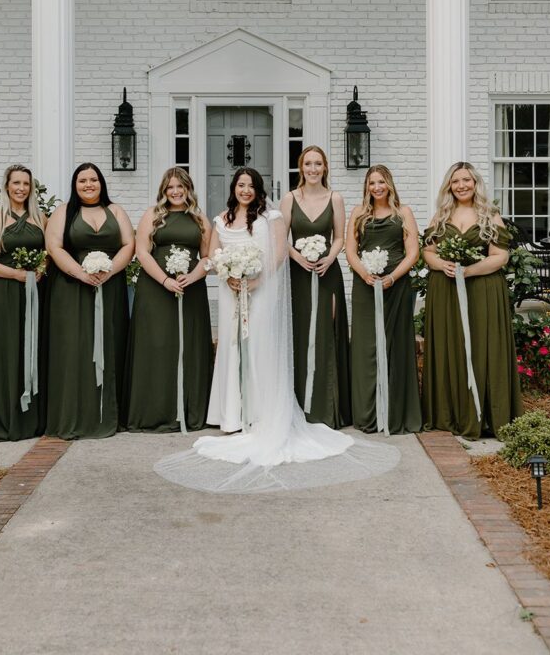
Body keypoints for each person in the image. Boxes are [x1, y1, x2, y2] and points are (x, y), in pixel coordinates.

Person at [155, 167, 401, 493]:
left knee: (259, 347)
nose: (245, 191)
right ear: (234, 189)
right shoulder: (220, 219)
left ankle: (259, 413)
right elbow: (212, 254)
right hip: (232, 292)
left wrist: (255, 279)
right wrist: (228, 272)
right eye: (240, 185)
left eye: (251, 186)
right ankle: (232, 415)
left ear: (259, 190)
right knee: (231, 348)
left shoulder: (270, 217)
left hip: (262, 291)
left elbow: (280, 252)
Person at [421, 161, 522, 439]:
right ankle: (449, 414)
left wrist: (469, 271)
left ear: (475, 183)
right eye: (456, 181)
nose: (461, 185)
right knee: (449, 344)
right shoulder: (441, 215)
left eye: (467, 180)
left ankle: (486, 415)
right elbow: (428, 252)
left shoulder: (490, 215)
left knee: (482, 346)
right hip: (446, 289)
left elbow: (500, 257)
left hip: (482, 290)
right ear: (449, 186)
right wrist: (443, 265)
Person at [45, 163, 134, 439]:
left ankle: (108, 414)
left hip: (111, 287)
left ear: (101, 183)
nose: (88, 184)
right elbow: (54, 247)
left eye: (93, 179)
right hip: (72, 289)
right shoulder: (64, 212)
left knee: (111, 344)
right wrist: (81, 273)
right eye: (82, 180)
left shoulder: (116, 211)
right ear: (75, 184)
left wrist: (108, 272)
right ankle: (75, 416)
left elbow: (128, 245)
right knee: (76, 349)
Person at [123, 167, 213, 431]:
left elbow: (208, 257)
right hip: (155, 290)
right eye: (170, 188)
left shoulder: (200, 220)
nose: (175, 192)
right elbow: (142, 252)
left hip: (191, 290)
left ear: (188, 189)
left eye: (180, 187)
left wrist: (193, 276)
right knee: (158, 347)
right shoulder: (153, 215)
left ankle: (188, 411)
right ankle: (154, 412)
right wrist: (165, 280)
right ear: (163, 191)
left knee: (189, 347)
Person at [0, 164, 47, 443]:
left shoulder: (41, 218)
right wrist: (14, 274)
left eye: (26, 184)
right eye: (16, 183)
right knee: (5, 352)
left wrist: (40, 267)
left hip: (34, 294)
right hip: (3, 293)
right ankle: (1, 420)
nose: (21, 188)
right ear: (6, 186)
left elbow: (49, 252)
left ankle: (30, 421)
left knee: (31, 350)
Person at [346, 165, 422, 435]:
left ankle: (395, 413)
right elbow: (351, 251)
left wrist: (392, 277)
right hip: (365, 286)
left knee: (395, 345)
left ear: (389, 184)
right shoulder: (358, 214)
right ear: (366, 187)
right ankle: (367, 413)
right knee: (366, 347)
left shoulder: (404, 213)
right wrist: (365, 273)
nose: (376, 187)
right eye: (371, 183)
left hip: (397, 286)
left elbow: (412, 252)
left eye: (381, 182)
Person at [280, 146, 351, 428]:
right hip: (297, 274)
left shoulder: (335, 198)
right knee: (299, 332)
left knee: (325, 332)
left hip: (326, 273)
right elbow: (280, 237)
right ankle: (298, 403)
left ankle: (327, 407)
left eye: (317, 164)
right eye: (308, 163)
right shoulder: (289, 199)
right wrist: (297, 256)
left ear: (325, 168)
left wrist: (329, 258)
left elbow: (339, 237)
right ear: (301, 167)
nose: (312, 169)